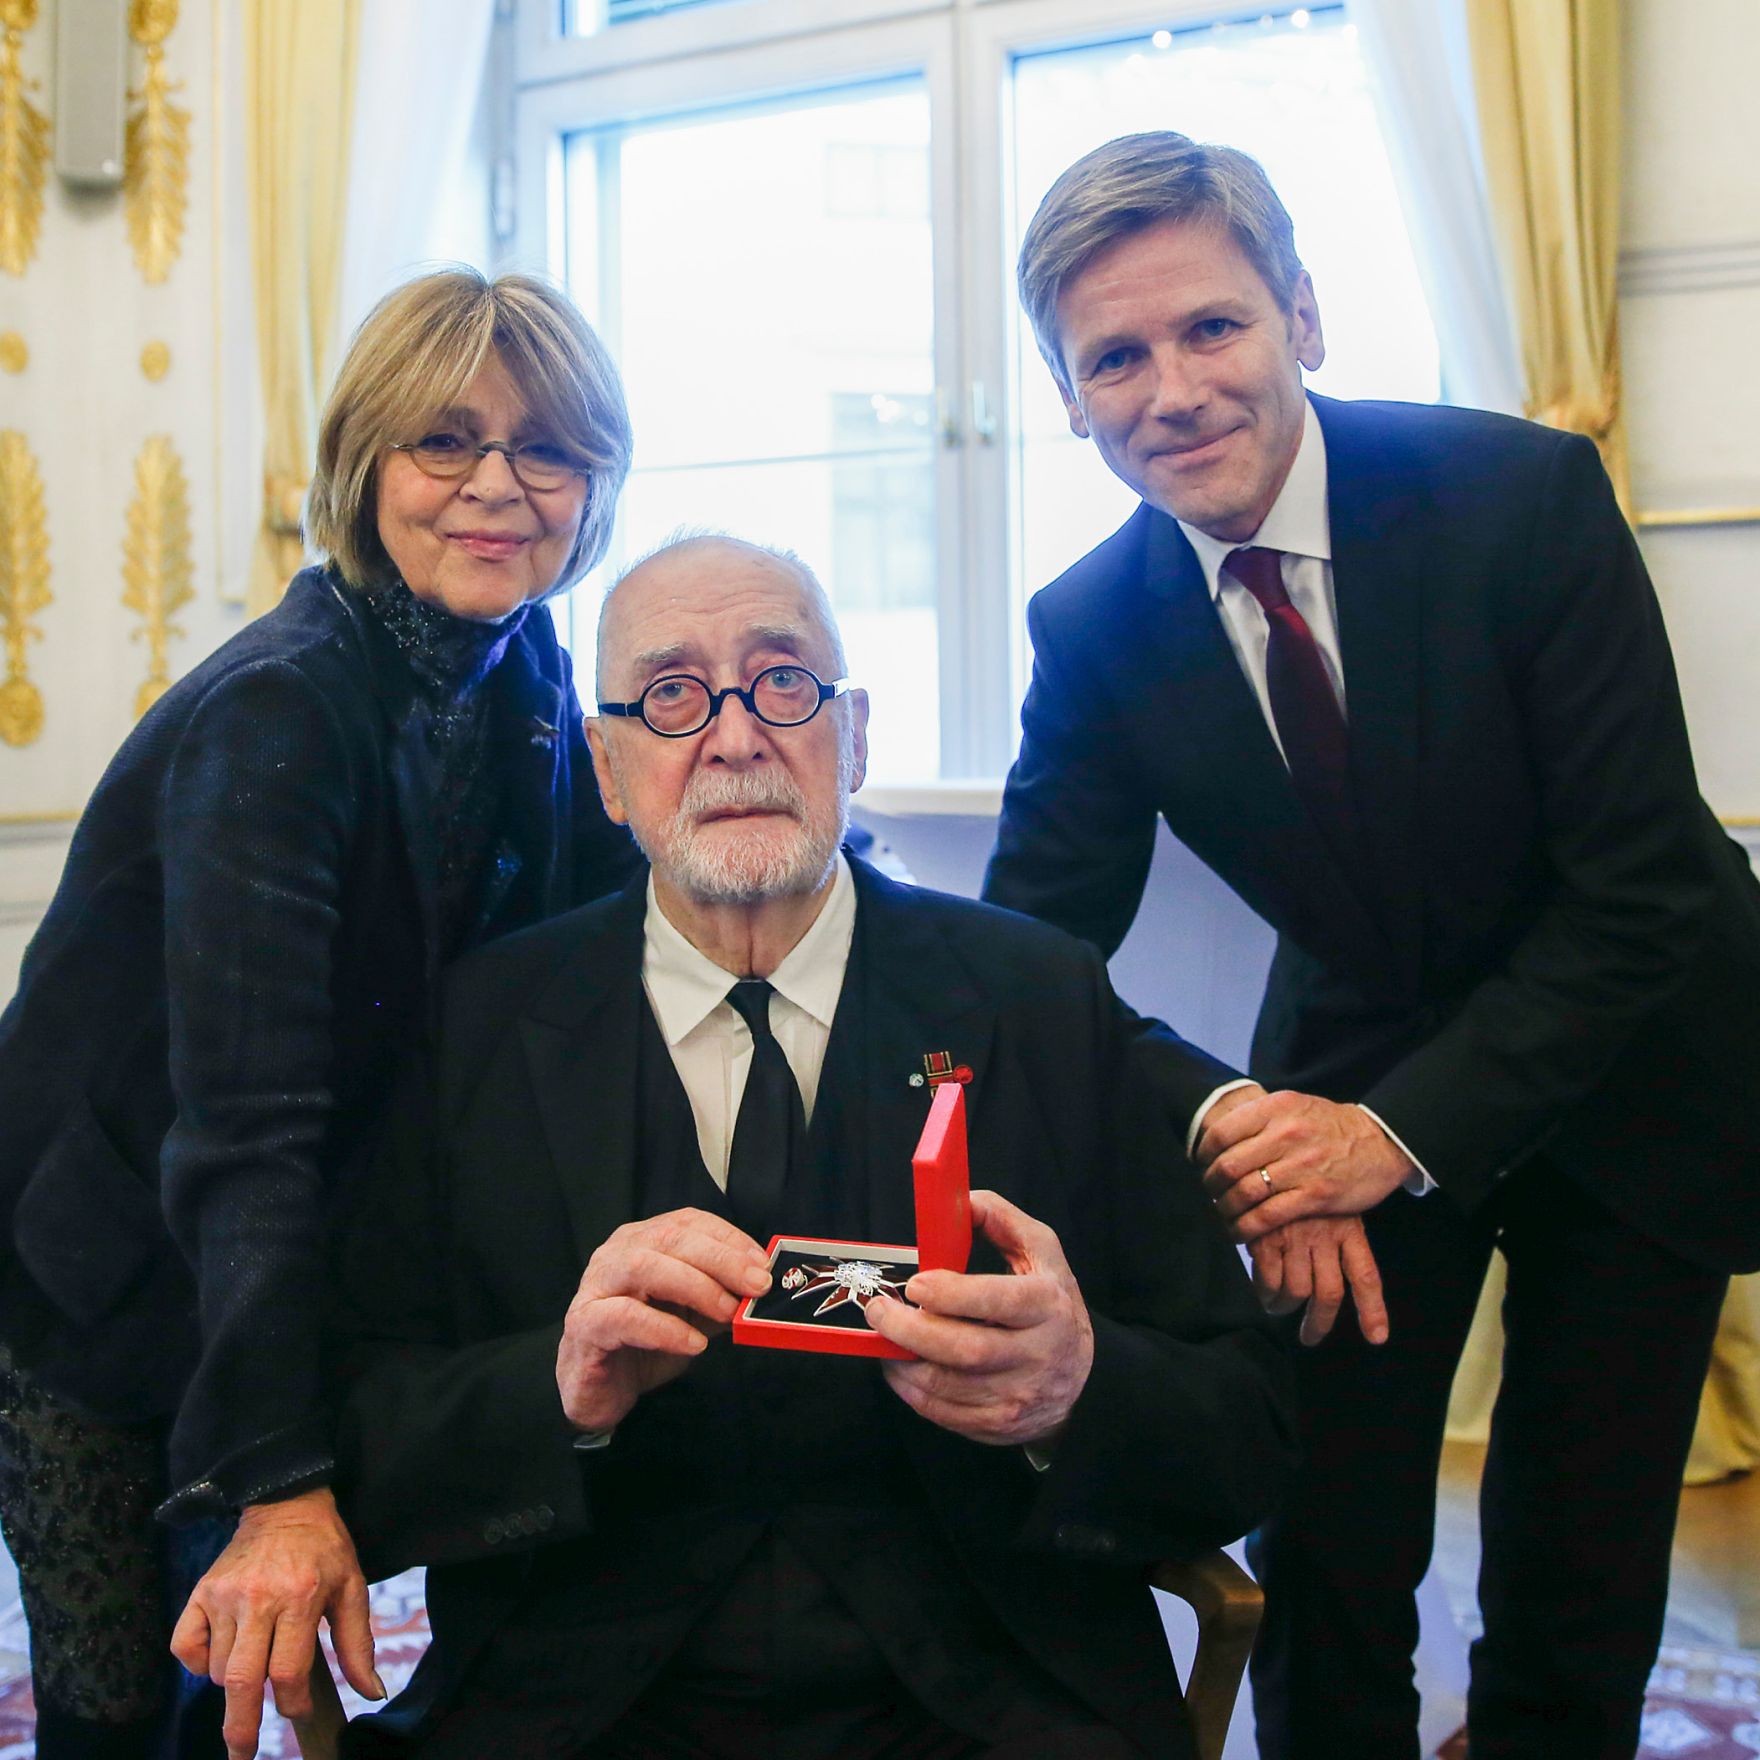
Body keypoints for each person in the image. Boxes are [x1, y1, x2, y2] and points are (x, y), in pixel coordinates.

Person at [981, 130, 1760, 1760]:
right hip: (1357, 1043)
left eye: (1212, 328)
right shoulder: (1091, 626)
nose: (1172, 388)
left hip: (1644, 1046)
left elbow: (1641, 892)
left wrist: (1387, 1140)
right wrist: (1243, 1128)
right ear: (1067, 397)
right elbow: (1029, 954)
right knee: (1327, 1514)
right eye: (1113, 356)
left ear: (1302, 321)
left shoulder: (1521, 498)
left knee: (1581, 1526)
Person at [326, 533, 1296, 1760]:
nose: (735, 736)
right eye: (672, 694)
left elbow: (1248, 1428)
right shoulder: (476, 1024)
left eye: (783, 681)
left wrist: (1073, 1390)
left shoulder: (1039, 995)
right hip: (581, 1698)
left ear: (855, 734)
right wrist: (553, 1389)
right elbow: (360, 1420)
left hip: (989, 1689)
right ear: (608, 770)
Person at [0, 268, 641, 1760]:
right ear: (364, 467)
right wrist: (277, 1478)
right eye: (446, 442)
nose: (497, 486)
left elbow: (605, 928)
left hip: (274, 1263)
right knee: (133, 1712)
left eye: (545, 448)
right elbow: (247, 1127)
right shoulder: (282, 708)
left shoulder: (524, 664)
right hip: (93, 1290)